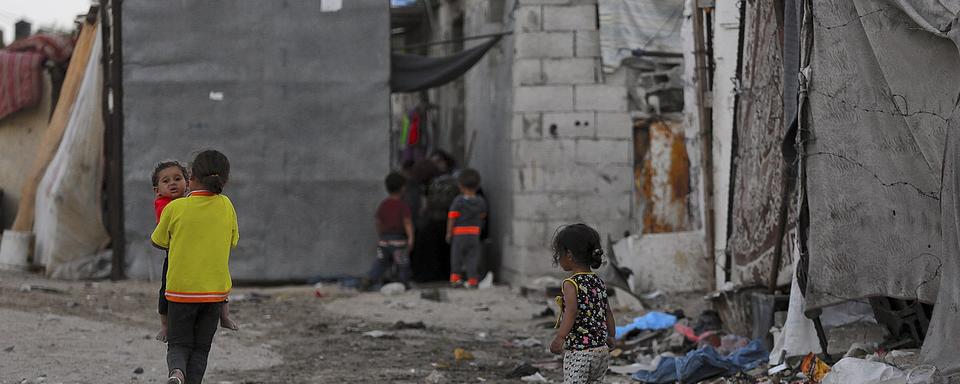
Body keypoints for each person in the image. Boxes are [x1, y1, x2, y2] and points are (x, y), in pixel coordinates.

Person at [152, 150, 238, 384]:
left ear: (191, 178)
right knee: (201, 349)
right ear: (224, 180)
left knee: (179, 344)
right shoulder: (227, 205)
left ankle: (176, 373)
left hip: (181, 293)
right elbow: (233, 241)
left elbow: (158, 241)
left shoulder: (174, 208)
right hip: (214, 295)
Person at [549, 223, 616, 384]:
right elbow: (608, 312)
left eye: (559, 253)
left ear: (569, 255)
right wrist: (612, 336)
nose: (558, 258)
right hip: (601, 350)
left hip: (580, 352)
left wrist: (560, 337)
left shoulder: (571, 283)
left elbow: (571, 312)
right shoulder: (598, 281)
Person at [365, 172, 415, 288]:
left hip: (384, 240)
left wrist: (381, 235)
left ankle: (370, 279)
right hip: (399, 241)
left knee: (380, 262)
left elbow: (378, 221)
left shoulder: (384, 204)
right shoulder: (402, 205)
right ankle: (404, 283)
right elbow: (407, 222)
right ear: (403, 188)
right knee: (403, 263)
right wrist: (411, 238)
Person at [446, 168, 487, 288]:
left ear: (460, 185)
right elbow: (483, 216)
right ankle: (473, 280)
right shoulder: (480, 201)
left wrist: (449, 232)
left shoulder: (458, 201)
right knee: (472, 257)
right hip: (474, 234)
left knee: (457, 257)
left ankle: (455, 279)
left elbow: (452, 217)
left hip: (459, 234)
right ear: (478, 185)